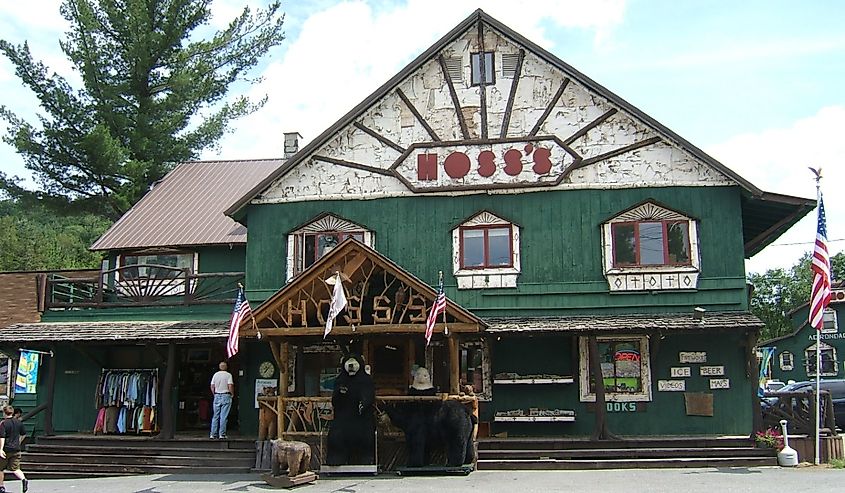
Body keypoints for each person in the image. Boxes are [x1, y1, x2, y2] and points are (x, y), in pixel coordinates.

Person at [0, 406, 28, 493]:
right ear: (12, 413)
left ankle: (1, 487)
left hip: (6, 449)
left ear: (4, 413)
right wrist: (18, 442)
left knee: (0, 469)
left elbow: (2, 437)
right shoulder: (18, 423)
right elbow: (23, 434)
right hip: (16, 449)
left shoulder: (3, 423)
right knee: (16, 468)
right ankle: (24, 479)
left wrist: (0, 449)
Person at [209, 361, 234, 439]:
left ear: (219, 367)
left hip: (217, 395)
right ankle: (222, 434)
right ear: (226, 367)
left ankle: (213, 434)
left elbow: (212, 386)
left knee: (215, 416)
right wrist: (232, 393)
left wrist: (214, 394)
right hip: (226, 395)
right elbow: (230, 385)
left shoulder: (215, 375)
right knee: (223, 416)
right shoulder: (228, 375)